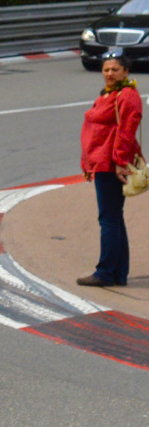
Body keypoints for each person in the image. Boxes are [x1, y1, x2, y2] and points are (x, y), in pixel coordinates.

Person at [79, 51, 142, 286]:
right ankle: (117, 273)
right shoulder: (107, 94)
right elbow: (94, 133)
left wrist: (119, 161)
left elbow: (126, 132)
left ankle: (105, 272)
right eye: (106, 69)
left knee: (109, 219)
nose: (109, 73)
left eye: (115, 69)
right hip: (101, 163)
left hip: (112, 165)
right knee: (113, 218)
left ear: (126, 72)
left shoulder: (127, 96)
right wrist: (87, 163)